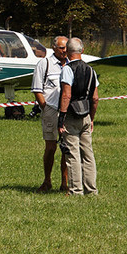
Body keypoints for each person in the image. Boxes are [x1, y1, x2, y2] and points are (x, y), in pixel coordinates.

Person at [58, 37, 99, 196]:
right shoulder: (91, 70)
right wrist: (92, 118)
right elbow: (95, 98)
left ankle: (76, 190)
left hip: (71, 116)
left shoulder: (67, 69)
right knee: (88, 154)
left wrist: (61, 119)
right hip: (86, 115)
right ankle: (91, 189)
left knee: (73, 154)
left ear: (67, 52)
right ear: (82, 50)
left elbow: (66, 96)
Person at [31, 36, 69, 192]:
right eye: (61, 48)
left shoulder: (71, 65)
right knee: (51, 148)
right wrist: (45, 108)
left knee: (66, 148)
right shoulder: (44, 64)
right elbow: (37, 89)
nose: (64, 51)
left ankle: (65, 183)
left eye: (67, 47)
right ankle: (47, 180)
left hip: (67, 112)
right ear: (54, 48)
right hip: (51, 110)